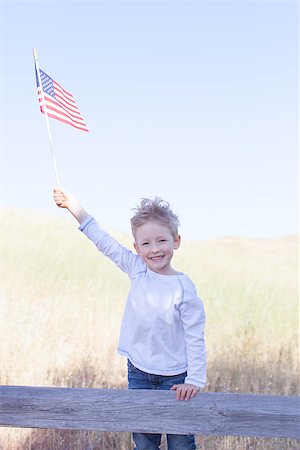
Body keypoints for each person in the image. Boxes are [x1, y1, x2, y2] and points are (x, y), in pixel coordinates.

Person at [53, 188, 206, 450]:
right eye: (146, 244)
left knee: (180, 443)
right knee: (144, 443)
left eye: (162, 241)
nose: (154, 249)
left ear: (176, 241)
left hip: (175, 377)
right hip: (139, 373)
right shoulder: (136, 269)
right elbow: (103, 241)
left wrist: (194, 380)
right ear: (136, 247)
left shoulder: (184, 288)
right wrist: (73, 207)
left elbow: (195, 336)